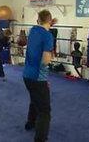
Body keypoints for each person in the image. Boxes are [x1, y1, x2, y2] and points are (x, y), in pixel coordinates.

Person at [23, 10, 56, 142]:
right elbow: (46, 60)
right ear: (49, 21)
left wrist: (49, 22)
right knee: (45, 111)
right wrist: (51, 57)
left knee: (34, 99)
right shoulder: (48, 36)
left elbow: (42, 24)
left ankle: (30, 123)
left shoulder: (33, 30)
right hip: (38, 77)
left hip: (26, 75)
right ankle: (40, 139)